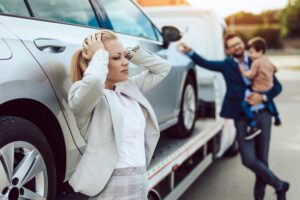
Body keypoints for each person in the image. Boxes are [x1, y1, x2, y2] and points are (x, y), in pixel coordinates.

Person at [177, 33, 289, 200]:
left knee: (262, 161)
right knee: (248, 159)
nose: (237, 46)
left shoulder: (257, 58)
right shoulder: (227, 64)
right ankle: (279, 184)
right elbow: (206, 63)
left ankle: (261, 197)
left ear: (242, 44)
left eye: (238, 43)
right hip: (242, 117)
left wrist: (263, 97)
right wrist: (190, 52)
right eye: (232, 45)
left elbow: (277, 87)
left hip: (263, 115)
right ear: (228, 50)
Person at [68, 30, 170, 200]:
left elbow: (162, 69)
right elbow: (93, 82)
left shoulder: (128, 88)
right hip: (110, 185)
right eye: (116, 58)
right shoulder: (83, 95)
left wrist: (129, 53)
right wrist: (99, 54)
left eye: (125, 57)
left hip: (140, 179)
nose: (125, 63)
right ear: (97, 61)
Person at [239, 37, 281, 140]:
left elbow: (250, 75)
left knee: (245, 105)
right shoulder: (267, 60)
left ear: (260, 51)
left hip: (258, 89)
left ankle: (252, 124)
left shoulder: (256, 63)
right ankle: (276, 117)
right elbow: (275, 69)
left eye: (252, 52)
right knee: (269, 102)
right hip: (268, 87)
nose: (250, 55)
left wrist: (243, 71)